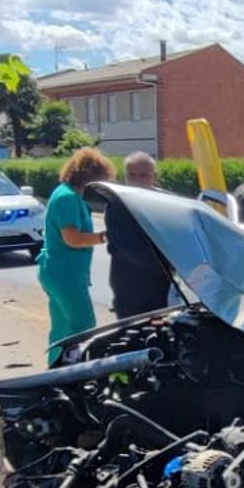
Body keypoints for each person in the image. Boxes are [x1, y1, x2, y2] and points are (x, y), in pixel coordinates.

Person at [37, 147, 113, 364]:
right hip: (64, 273)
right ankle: (73, 372)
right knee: (83, 325)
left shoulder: (65, 194)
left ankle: (55, 370)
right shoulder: (68, 198)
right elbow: (73, 238)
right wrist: (105, 236)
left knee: (62, 328)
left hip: (59, 271)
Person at [105, 151, 170, 319]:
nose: (138, 180)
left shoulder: (165, 201)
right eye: (132, 175)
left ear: (154, 177)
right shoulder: (117, 205)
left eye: (143, 175)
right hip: (131, 287)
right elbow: (131, 249)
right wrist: (170, 265)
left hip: (162, 285)